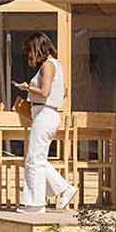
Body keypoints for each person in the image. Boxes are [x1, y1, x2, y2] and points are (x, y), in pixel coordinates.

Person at [18, 32, 75, 212]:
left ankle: (35, 205)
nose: (29, 55)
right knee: (38, 158)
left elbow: (44, 92)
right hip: (46, 114)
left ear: (38, 48)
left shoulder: (48, 66)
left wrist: (27, 87)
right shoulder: (54, 65)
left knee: (34, 160)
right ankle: (65, 188)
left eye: (30, 50)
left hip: (45, 114)